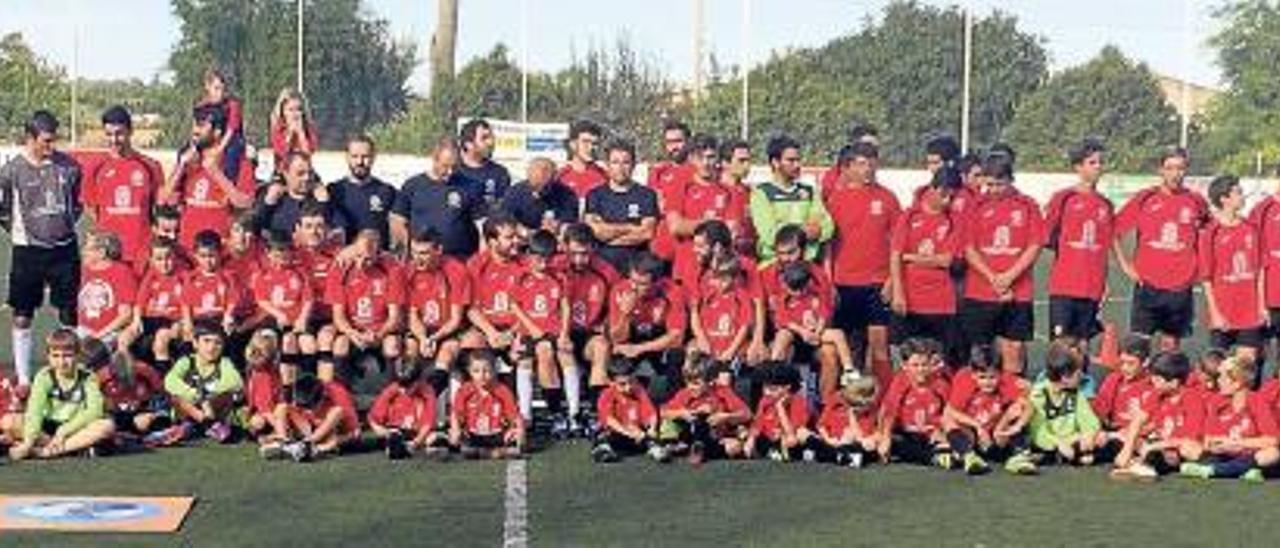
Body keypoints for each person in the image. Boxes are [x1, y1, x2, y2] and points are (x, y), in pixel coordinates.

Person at [0, 110, 83, 386]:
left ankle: (68, 375)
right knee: (22, 314)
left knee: (68, 313)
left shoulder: (69, 167)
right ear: (30, 138)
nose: (51, 146)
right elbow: (3, 211)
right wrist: (19, 233)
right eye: (46, 141)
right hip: (28, 252)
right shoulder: (11, 171)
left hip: (64, 250)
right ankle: (24, 379)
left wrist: (63, 225)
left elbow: (78, 204)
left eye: (53, 140)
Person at [1114, 148, 1209, 351]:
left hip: (1180, 287)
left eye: (1180, 168)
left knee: (1170, 349)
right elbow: (1113, 230)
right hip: (1148, 284)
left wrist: (1199, 270)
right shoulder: (1145, 199)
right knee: (1138, 347)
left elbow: (1209, 236)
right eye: (1170, 168)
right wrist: (1126, 266)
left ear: (1186, 170)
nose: (1175, 174)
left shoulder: (1196, 202)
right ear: (1161, 170)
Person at [826, 142, 901, 388]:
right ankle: (850, 402)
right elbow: (828, 245)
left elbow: (899, 244)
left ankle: (887, 403)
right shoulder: (835, 200)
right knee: (849, 348)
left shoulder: (887, 199)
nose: (868, 168)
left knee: (880, 345)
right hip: (844, 283)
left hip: (877, 284)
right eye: (861, 163)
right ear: (847, 168)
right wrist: (829, 282)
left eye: (872, 163)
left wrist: (892, 281)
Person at [960, 153, 1043, 374]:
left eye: (999, 184)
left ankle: (1011, 401)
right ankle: (981, 404)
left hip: (1019, 291)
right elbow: (969, 248)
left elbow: (1034, 245)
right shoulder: (975, 206)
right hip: (980, 290)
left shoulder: (1028, 205)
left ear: (1010, 180)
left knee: (1013, 348)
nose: (994, 189)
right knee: (980, 351)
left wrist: (1009, 276)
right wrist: (992, 277)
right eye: (989, 184)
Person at [890, 167, 963, 368]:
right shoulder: (909, 215)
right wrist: (898, 292)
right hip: (911, 299)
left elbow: (946, 261)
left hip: (941, 302)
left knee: (940, 361)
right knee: (907, 360)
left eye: (952, 196)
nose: (948, 201)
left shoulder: (954, 220)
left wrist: (910, 257)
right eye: (944, 195)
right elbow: (895, 255)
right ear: (932, 188)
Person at [1044, 140, 1115, 343]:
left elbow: (1104, 248)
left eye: (1100, 162)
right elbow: (1047, 236)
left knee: (1083, 344)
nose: (1098, 167)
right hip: (1064, 285)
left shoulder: (1105, 204)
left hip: (1092, 287)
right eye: (1092, 162)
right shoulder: (1063, 198)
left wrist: (1105, 281)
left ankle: (1082, 376)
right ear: (1078, 167)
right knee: (1060, 345)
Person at [8, 329, 115, 461]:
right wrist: (28, 443)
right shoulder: (44, 376)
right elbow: (34, 411)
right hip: (47, 428)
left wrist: (63, 432)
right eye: (56, 356)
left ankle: (48, 452)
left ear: (77, 355)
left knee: (106, 426)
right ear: (48, 357)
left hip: (75, 427)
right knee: (9, 422)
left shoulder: (88, 377)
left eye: (67, 355)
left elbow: (95, 411)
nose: (62, 362)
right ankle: (72, 447)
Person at [163, 104, 256, 249]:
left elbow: (245, 202)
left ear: (217, 132)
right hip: (187, 247)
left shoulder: (237, 160)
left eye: (201, 126)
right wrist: (181, 166)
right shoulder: (187, 157)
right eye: (194, 125)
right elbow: (165, 199)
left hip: (219, 251)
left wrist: (216, 173)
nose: (194, 131)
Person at [80, 105, 165, 264]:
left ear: (130, 131)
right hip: (108, 253)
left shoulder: (150, 166)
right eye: (109, 134)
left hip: (141, 251)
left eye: (119, 134)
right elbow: (90, 207)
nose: (114, 140)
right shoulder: (95, 167)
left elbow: (158, 207)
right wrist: (105, 230)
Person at [656, 135, 747, 283]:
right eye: (700, 157)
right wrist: (710, 224)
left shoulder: (729, 192)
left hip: (718, 270)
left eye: (711, 157)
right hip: (686, 268)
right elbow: (675, 226)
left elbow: (731, 232)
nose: (706, 163)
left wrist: (695, 226)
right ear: (691, 158)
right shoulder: (680, 187)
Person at [511, 230, 576, 432]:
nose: (543, 264)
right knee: (526, 360)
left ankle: (571, 415)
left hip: (553, 330)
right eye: (539, 259)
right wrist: (531, 328)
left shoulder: (559, 277)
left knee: (564, 355)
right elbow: (514, 306)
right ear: (529, 255)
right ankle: (525, 415)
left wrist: (564, 333)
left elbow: (565, 306)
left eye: (548, 259)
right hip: (529, 331)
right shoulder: (521, 277)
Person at [1199, 175, 1267, 368]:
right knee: (1217, 368)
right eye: (1238, 192)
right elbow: (1206, 278)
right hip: (1224, 312)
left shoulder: (1251, 229)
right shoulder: (1210, 232)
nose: (1242, 196)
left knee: (1245, 369)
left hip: (1249, 313)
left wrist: (1261, 306)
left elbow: (1260, 270)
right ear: (1224, 198)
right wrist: (1215, 313)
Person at [324, 229, 405, 384]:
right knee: (340, 345)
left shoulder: (392, 271)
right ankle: (343, 394)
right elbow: (338, 316)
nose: (361, 263)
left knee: (392, 345)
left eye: (367, 259)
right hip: (354, 331)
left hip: (381, 330)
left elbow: (395, 317)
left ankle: (391, 394)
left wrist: (379, 335)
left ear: (378, 254)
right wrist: (353, 333)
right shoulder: (341, 269)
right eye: (358, 256)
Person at [1110, 351, 1204, 480]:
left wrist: (1152, 446)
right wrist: (1127, 450)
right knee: (1122, 437)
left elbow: (1187, 439)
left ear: (1174, 383)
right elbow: (1138, 420)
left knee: (1182, 450)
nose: (1153, 382)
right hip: (1157, 441)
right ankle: (1136, 464)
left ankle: (1144, 466)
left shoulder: (1192, 399)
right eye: (1153, 377)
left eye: (1158, 379)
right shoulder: (1157, 394)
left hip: (1174, 447)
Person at [943, 344, 1036, 475]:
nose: (987, 382)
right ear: (973, 374)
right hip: (975, 437)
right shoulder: (963, 378)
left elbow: (1029, 406)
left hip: (998, 436)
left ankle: (1017, 455)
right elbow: (951, 411)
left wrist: (1016, 426)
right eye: (982, 377)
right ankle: (968, 456)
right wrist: (978, 427)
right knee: (947, 418)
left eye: (992, 377)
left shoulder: (1007, 380)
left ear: (1000, 373)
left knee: (1017, 408)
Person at [608, 252, 689, 403]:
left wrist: (640, 348)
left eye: (642, 284)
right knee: (616, 355)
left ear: (656, 282)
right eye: (632, 280)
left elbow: (676, 337)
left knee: (676, 354)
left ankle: (673, 407)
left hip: (659, 340)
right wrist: (625, 314)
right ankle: (623, 408)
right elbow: (617, 338)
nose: (634, 287)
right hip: (632, 337)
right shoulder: (620, 290)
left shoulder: (672, 292)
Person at [1181, 357, 1279, 480]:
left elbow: (1272, 440)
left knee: (1272, 454)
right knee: (1187, 447)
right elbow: (1208, 440)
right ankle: (1242, 471)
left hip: (1251, 454)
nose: (1218, 381)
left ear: (1237, 384)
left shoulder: (1258, 401)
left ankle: (1213, 470)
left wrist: (1238, 443)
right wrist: (1219, 445)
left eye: (1222, 378)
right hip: (1224, 453)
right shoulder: (1216, 402)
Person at [391, 136, 485, 258]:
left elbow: (482, 227)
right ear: (434, 159)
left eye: (454, 167)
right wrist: (404, 254)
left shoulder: (470, 186)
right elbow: (398, 220)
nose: (450, 172)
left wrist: (481, 260)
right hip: (422, 262)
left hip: (459, 261)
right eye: (445, 166)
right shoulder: (413, 185)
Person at [559, 224, 618, 414]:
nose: (579, 259)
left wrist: (606, 323)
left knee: (601, 346)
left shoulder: (606, 271)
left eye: (584, 253)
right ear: (565, 247)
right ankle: (560, 413)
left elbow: (616, 306)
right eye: (574, 253)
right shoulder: (554, 268)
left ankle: (597, 412)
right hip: (558, 334)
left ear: (592, 248)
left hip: (587, 335)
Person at [769, 261, 855, 391]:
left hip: (816, 335)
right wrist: (802, 331)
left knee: (838, 334)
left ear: (808, 283)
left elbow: (823, 314)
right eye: (794, 290)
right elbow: (782, 319)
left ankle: (849, 371)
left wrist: (818, 332)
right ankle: (774, 372)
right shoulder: (783, 298)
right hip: (796, 335)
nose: (798, 293)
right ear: (785, 285)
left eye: (802, 289)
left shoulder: (817, 294)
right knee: (781, 335)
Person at [749, 135, 833, 262]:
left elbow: (828, 226)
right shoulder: (762, 193)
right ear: (775, 162)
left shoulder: (809, 191)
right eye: (791, 160)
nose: (797, 165)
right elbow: (770, 235)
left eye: (798, 160)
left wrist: (819, 231)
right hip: (775, 267)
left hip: (806, 266)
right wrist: (804, 232)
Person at [160, 321, 244, 445]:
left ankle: (191, 428)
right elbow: (169, 381)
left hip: (213, 410)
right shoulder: (187, 361)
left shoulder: (224, 363)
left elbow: (236, 382)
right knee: (176, 397)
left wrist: (208, 397)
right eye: (206, 341)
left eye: (218, 343)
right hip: (188, 412)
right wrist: (198, 397)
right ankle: (207, 425)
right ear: (195, 343)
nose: (211, 347)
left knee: (227, 395)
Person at [584, 139, 660, 273]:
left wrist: (609, 236)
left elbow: (647, 233)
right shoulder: (595, 195)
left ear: (634, 165)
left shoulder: (647, 195)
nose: (620, 167)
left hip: (636, 270)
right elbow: (596, 232)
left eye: (626, 162)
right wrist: (631, 227)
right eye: (615, 162)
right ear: (607, 165)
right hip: (603, 267)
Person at [658, 357, 751, 465]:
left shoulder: (722, 391)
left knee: (735, 447)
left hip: (715, 436)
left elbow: (747, 414)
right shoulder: (685, 393)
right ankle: (695, 448)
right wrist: (682, 413)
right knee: (672, 423)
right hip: (691, 433)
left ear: (710, 382)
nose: (690, 387)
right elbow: (663, 411)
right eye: (687, 382)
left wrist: (725, 416)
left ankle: (691, 450)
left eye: (696, 383)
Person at [876, 337, 952, 468]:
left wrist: (943, 432)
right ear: (904, 366)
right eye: (915, 365)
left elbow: (950, 412)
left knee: (953, 442)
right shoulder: (900, 382)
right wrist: (885, 436)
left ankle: (938, 454)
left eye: (924, 364)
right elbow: (889, 411)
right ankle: (932, 457)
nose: (921, 370)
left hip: (932, 435)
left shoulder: (941, 384)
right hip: (907, 434)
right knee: (890, 442)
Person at [83, 337, 167, 451]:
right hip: (110, 422)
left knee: (149, 422)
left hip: (136, 417)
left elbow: (161, 394)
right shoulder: (93, 380)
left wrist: (152, 414)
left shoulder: (144, 371)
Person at [405, 228, 469, 376]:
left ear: (438, 250)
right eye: (413, 252)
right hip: (421, 329)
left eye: (424, 253)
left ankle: (431, 395)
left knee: (445, 356)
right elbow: (413, 316)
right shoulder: (409, 271)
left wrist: (434, 338)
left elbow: (455, 319)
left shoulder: (456, 271)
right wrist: (422, 338)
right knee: (409, 352)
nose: (417, 258)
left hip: (448, 330)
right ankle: (404, 396)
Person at [461, 215, 526, 360]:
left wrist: (511, 333)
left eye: (517, 236)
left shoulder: (525, 265)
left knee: (522, 350)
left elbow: (530, 309)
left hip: (517, 328)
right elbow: (471, 309)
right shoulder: (476, 264)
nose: (516, 241)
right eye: (509, 237)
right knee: (470, 343)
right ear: (492, 241)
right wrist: (491, 333)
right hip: (486, 328)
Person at [251, 231, 315, 377]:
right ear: (268, 253)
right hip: (272, 319)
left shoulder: (300, 273)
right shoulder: (263, 274)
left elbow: (308, 299)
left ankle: (306, 383)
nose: (281, 258)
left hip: (297, 319)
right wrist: (278, 314)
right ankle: (279, 385)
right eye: (277, 254)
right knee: (264, 343)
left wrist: (302, 319)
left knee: (309, 344)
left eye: (286, 252)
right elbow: (262, 300)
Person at [1027, 341, 1101, 465]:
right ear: (1065, 377)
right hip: (1051, 444)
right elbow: (1038, 432)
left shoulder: (1075, 393)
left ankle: (1078, 456)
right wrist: (1058, 443)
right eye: (1078, 373)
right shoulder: (1039, 394)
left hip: (1073, 440)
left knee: (1102, 439)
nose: (1081, 376)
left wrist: (1089, 434)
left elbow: (1090, 420)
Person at [121, 239, 186, 368]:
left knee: (160, 340)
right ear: (151, 260)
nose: (164, 263)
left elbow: (189, 304)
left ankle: (162, 378)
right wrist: (136, 320)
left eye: (168, 258)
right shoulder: (151, 275)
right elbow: (140, 302)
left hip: (171, 319)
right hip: (150, 319)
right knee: (124, 338)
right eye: (159, 259)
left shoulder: (184, 276)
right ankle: (129, 375)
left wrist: (181, 322)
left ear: (175, 257)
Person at [1092, 334, 1156, 461]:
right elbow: (1099, 411)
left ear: (1146, 362)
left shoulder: (1155, 383)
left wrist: (1134, 433)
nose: (1125, 368)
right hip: (1115, 432)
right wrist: (1097, 431)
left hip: (1142, 435)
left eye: (1131, 363)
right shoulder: (1114, 379)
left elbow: (1158, 420)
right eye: (1122, 362)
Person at [450, 349, 525, 459]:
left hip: (497, 434)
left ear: (494, 371)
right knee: (452, 438)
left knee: (514, 439)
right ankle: (489, 453)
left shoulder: (502, 390)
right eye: (476, 371)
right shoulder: (465, 390)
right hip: (473, 434)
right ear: (469, 372)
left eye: (487, 371)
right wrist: (456, 430)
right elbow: (456, 414)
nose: (482, 375)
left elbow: (514, 415)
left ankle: (486, 453)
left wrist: (520, 431)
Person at [369, 359, 447, 460]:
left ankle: (415, 449)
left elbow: (428, 423)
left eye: (408, 385)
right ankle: (397, 447)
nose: (404, 389)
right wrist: (383, 432)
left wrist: (416, 442)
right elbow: (373, 418)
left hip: (417, 433)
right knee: (394, 435)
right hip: (396, 430)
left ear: (418, 381)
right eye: (401, 385)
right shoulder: (392, 390)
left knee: (435, 439)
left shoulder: (427, 392)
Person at [273, 374, 361, 462]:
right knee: (281, 407)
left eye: (310, 406)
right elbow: (281, 412)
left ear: (322, 396)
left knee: (337, 411)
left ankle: (309, 446)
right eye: (302, 406)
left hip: (333, 433)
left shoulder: (338, 393)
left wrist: (337, 441)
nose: (307, 411)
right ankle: (285, 443)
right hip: (309, 429)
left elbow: (356, 433)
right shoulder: (295, 392)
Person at [329, 135, 397, 247]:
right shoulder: (333, 191)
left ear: (374, 157)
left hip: (377, 261)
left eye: (365, 156)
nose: (360, 162)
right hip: (344, 259)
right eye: (355, 156)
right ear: (346, 157)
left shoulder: (387, 191)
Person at [591, 358, 662, 463]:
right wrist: (627, 432)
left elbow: (651, 413)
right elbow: (609, 420)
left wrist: (652, 429)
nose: (628, 387)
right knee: (601, 434)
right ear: (611, 382)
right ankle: (603, 451)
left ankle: (655, 450)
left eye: (631, 382)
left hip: (637, 434)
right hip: (618, 433)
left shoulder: (639, 390)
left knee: (652, 436)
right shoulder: (606, 395)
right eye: (622, 384)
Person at [256, 152, 339, 236]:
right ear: (286, 174)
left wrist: (324, 205)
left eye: (310, 173)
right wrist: (268, 204)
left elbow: (337, 231)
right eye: (300, 173)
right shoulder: (273, 198)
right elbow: (256, 229)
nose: (307, 178)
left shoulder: (322, 199)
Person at [690, 257, 754, 366]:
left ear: (734, 278)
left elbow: (744, 327)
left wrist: (731, 350)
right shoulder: (707, 294)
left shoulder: (742, 297)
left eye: (724, 280)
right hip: (707, 347)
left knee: (724, 379)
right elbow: (695, 315)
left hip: (730, 350)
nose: (719, 283)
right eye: (716, 279)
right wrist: (701, 339)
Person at [77, 232, 138, 346]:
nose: (83, 252)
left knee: (91, 353)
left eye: (87, 248)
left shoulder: (121, 272)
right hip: (85, 330)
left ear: (101, 253)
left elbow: (125, 315)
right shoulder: (85, 270)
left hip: (110, 333)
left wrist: (97, 336)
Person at [744, 364, 813, 461]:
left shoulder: (798, 402)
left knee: (791, 441)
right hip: (769, 440)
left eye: (772, 389)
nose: (766, 393)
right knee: (745, 434)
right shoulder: (765, 400)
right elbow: (757, 425)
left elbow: (792, 434)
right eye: (765, 388)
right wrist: (751, 439)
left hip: (789, 440)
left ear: (787, 387)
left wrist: (780, 408)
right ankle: (772, 452)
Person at [181, 231, 240, 343]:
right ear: (195, 255)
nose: (208, 261)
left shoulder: (228, 276)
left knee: (229, 333)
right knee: (188, 338)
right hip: (198, 320)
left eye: (212, 256)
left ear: (220, 253)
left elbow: (233, 300)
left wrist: (228, 316)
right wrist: (187, 322)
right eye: (203, 256)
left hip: (219, 319)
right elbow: (185, 302)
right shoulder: (191, 277)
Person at [814, 374, 880, 467]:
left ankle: (848, 456)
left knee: (866, 445)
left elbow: (872, 432)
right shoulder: (835, 402)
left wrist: (870, 439)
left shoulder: (871, 409)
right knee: (823, 447)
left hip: (859, 443)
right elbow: (821, 425)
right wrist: (828, 439)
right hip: (836, 442)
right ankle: (843, 456)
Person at [501, 157, 579, 235]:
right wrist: (522, 230)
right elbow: (505, 218)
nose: (540, 178)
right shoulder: (514, 193)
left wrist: (558, 225)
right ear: (528, 174)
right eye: (536, 177)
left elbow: (570, 221)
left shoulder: (566, 194)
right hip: (522, 239)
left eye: (545, 175)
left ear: (554, 176)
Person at [241, 329, 288, 451]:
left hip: (275, 413)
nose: (255, 354)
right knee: (257, 421)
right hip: (264, 415)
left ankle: (282, 437)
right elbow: (260, 406)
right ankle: (276, 435)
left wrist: (277, 425)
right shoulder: (253, 372)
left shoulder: (267, 374)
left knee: (280, 409)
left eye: (260, 352)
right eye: (253, 350)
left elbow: (268, 407)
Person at [456, 118, 512, 208]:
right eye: (484, 138)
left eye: (491, 137)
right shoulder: (451, 172)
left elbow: (503, 211)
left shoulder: (500, 174)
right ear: (468, 144)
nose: (490, 142)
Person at [719, 138, 757, 256]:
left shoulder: (750, 192)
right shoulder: (715, 190)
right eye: (741, 161)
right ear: (725, 163)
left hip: (747, 257)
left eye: (748, 161)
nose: (747, 165)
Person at [196, 67, 244, 159]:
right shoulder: (202, 106)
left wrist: (219, 150)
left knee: (231, 152)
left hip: (231, 142)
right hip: (211, 139)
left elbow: (230, 131)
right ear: (207, 86)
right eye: (216, 88)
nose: (220, 93)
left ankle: (229, 174)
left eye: (223, 89)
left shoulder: (233, 105)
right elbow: (197, 128)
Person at [268, 87, 318, 168]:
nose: (295, 114)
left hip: (304, 171)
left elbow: (309, 152)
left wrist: (301, 134)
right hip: (283, 171)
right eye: (290, 110)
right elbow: (281, 152)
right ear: (282, 111)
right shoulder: (278, 128)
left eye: (298, 109)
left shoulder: (307, 128)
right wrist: (289, 135)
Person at [558, 120, 608, 199]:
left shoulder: (605, 177)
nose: (591, 148)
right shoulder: (559, 177)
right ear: (573, 145)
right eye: (585, 142)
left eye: (595, 144)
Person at [647, 120, 693, 196]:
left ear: (689, 141)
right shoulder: (658, 172)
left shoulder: (700, 170)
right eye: (669, 142)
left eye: (678, 141)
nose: (674, 147)